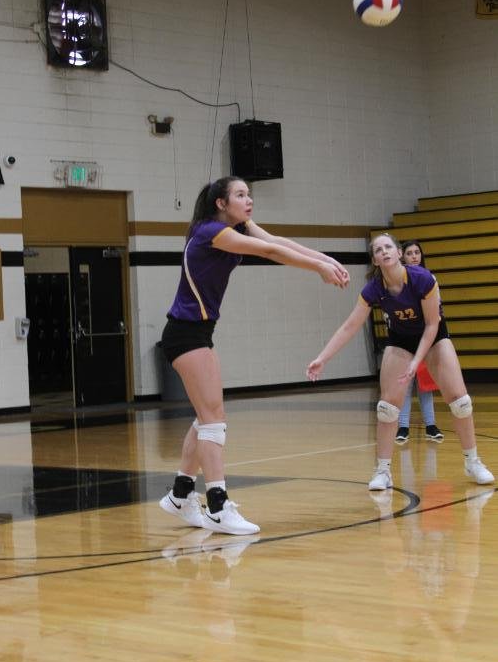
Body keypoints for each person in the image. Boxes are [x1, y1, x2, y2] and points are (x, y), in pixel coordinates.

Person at [159, 176, 350, 535]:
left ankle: (180, 495)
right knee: (214, 420)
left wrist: (326, 259)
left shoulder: (237, 227)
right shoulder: (212, 232)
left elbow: (278, 242)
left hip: (198, 333)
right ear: (221, 202)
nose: (249, 201)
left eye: (250, 195)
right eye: (241, 195)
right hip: (185, 334)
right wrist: (319, 270)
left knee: (206, 418)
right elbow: (270, 253)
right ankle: (218, 506)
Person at [306, 232, 494, 491]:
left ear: (397, 253)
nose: (384, 251)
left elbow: (431, 325)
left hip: (434, 337)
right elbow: (350, 326)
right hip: (401, 340)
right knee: (387, 408)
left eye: (388, 247)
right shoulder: (373, 289)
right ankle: (382, 471)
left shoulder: (422, 279)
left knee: (461, 402)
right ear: (375, 259)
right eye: (378, 249)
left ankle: (473, 461)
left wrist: (417, 362)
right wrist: (322, 358)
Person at [395, 240, 443, 444]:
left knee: (425, 383)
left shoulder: (430, 278)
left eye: (417, 252)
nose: (414, 256)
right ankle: (403, 427)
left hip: (426, 336)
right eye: (409, 253)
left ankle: (431, 425)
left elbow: (437, 309)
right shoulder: (396, 281)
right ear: (402, 257)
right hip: (405, 336)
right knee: (405, 383)